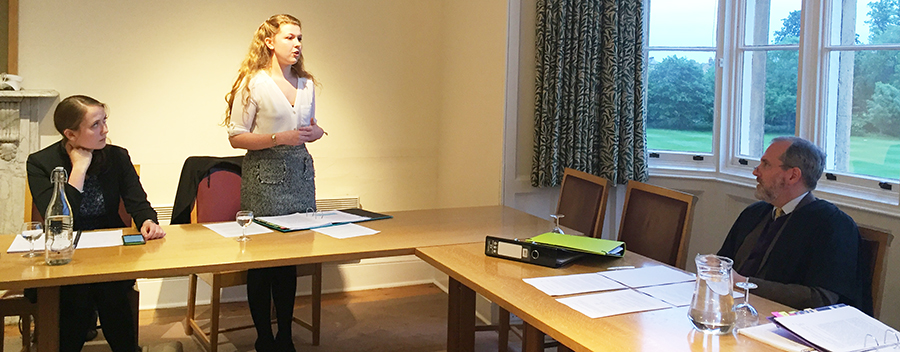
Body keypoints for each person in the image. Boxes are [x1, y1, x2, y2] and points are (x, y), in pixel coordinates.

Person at [26, 95, 166, 352]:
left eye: (105, 121)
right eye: (95, 125)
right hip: (64, 249)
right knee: (77, 295)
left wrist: (148, 221)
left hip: (109, 247)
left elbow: (138, 202)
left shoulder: (117, 156)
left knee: (109, 289)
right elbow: (57, 220)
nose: (105, 130)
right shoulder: (40, 162)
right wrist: (78, 169)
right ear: (70, 133)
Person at [224, 14, 324, 352]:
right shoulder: (253, 82)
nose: (297, 45)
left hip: (299, 175)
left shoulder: (306, 83)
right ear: (270, 41)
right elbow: (236, 138)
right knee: (263, 261)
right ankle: (263, 337)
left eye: (300, 39)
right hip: (264, 177)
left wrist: (317, 132)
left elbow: (309, 127)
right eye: (290, 38)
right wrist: (278, 137)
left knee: (288, 261)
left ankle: (284, 335)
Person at [717, 136, 871, 314]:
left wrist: (744, 283)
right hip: (732, 312)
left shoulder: (832, 225)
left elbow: (822, 298)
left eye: (766, 164)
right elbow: (724, 266)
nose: (756, 172)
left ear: (792, 175)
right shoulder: (754, 213)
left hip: (786, 327)